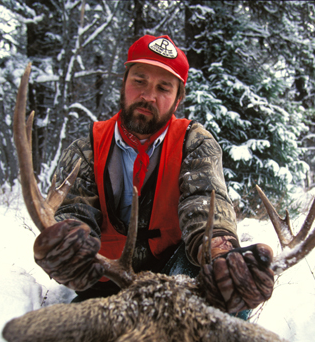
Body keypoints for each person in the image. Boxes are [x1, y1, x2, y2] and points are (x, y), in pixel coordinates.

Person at [32, 35, 274, 314]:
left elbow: (206, 203)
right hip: (106, 280)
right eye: (139, 80)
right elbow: (74, 211)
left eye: (163, 87)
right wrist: (67, 244)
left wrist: (221, 252)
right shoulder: (86, 148)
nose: (148, 96)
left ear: (178, 99)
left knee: (227, 287)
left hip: (172, 275)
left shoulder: (194, 143)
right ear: (124, 83)